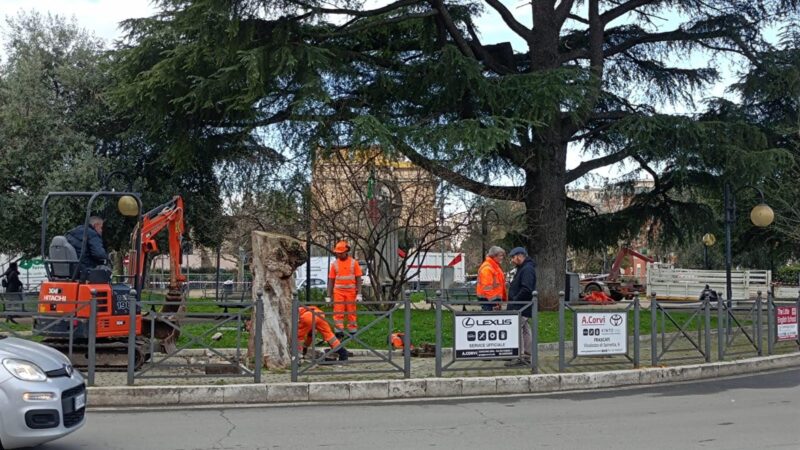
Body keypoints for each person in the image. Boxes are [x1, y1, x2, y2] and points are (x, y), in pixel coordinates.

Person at [505, 247, 536, 367]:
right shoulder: (524, 268)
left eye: (513, 257)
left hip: (521, 305)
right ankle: (527, 356)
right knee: (525, 330)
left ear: (520, 256)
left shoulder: (527, 269)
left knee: (517, 329)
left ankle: (521, 357)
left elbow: (526, 288)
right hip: (523, 305)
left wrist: (515, 300)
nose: (512, 260)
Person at [327, 240, 363, 336]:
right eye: (337, 253)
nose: (338, 255)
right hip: (338, 292)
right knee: (338, 312)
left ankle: (353, 333)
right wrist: (328, 295)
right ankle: (339, 333)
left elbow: (358, 278)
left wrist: (359, 293)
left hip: (351, 292)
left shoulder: (354, 263)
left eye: (340, 253)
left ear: (346, 252)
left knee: (351, 312)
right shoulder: (334, 264)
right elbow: (331, 280)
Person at [476, 246, 507, 311]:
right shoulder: (487, 268)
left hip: (492, 301)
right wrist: (494, 303)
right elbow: (487, 288)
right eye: (500, 256)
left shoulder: (495, 266)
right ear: (494, 256)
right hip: (489, 302)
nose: (502, 258)